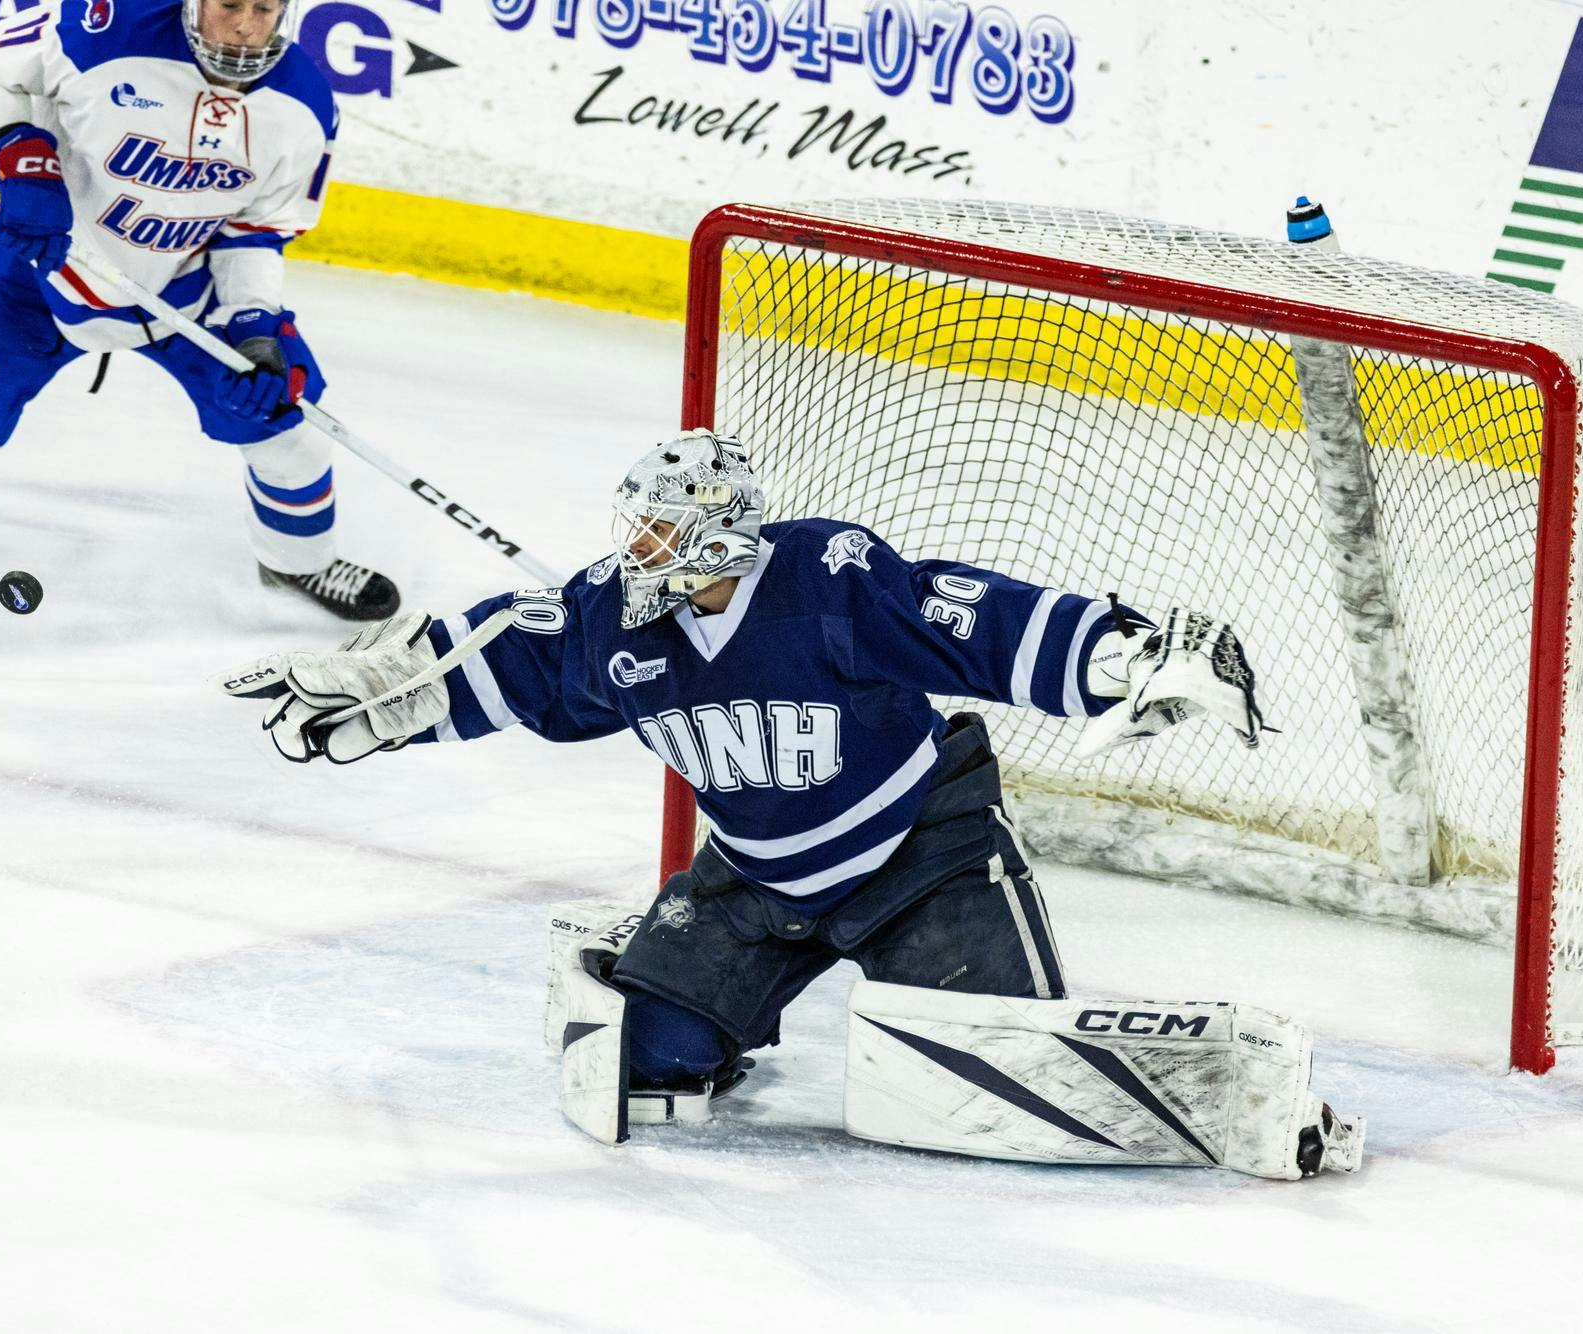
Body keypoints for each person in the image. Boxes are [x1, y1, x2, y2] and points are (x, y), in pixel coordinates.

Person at [219, 431, 1362, 1180]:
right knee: (636, 1064)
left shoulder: (827, 580)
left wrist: (1120, 654)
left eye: (663, 531)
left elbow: (970, 618)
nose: (639, 548)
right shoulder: (617, 619)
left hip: (922, 853)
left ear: (720, 534)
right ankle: (674, 967)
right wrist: (386, 699)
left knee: (1005, 1080)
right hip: (754, 877)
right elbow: (518, 665)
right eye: (637, 525)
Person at [0, 0, 397, 649]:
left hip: (183, 287)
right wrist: (18, 153)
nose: (244, 26)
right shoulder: (102, 24)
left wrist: (255, 325)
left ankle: (299, 564)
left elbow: (257, 229)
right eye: (229, 4)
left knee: (292, 435)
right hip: (38, 266)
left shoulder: (305, 104)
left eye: (263, 9)